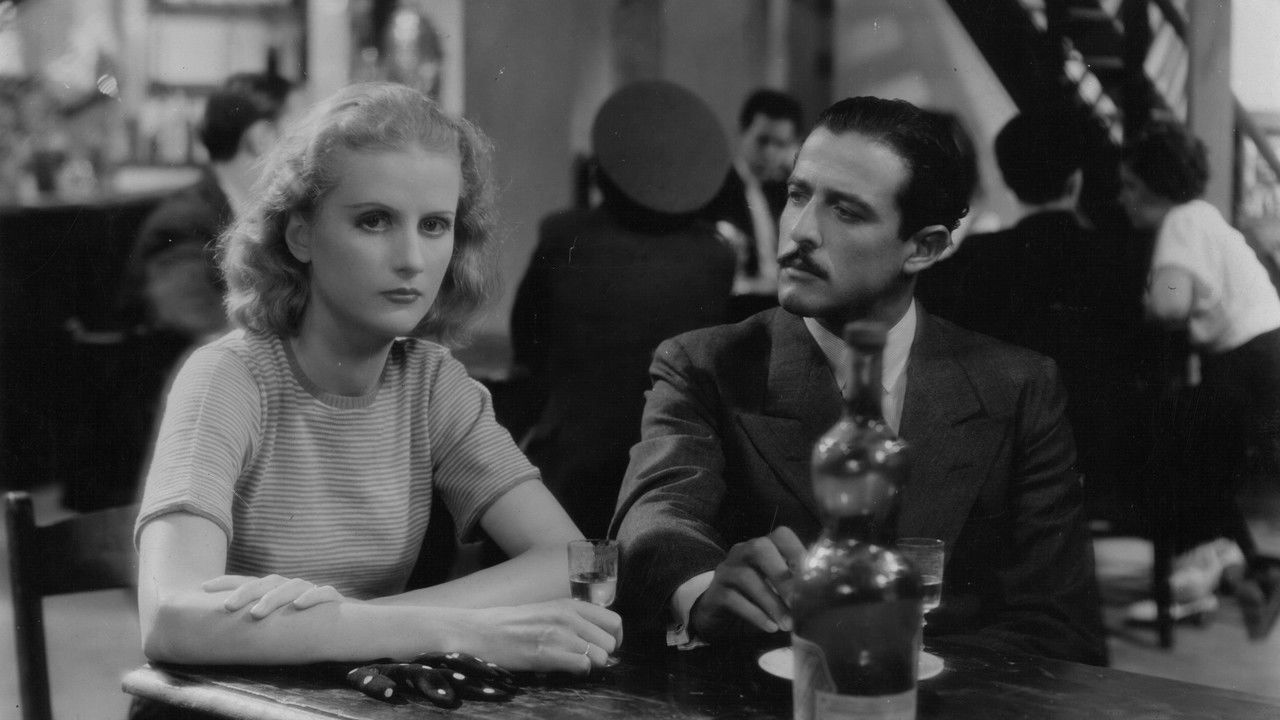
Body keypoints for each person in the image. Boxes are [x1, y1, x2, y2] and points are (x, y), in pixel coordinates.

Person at [135, 82, 621, 672]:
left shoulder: (432, 384)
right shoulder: (228, 377)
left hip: (357, 697)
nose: (411, 259)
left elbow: (574, 562)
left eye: (435, 225)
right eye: (374, 221)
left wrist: (365, 624)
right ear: (300, 233)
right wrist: (453, 630)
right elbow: (170, 617)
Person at [611, 96, 1107, 666]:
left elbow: (1060, 625)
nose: (800, 231)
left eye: (846, 211)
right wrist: (703, 594)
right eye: (797, 195)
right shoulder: (705, 364)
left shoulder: (1017, 387)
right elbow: (657, 520)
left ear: (924, 247)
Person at [511, 80, 735, 539]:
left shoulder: (563, 236)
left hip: (568, 468)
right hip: (667, 470)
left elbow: (527, 341)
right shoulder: (715, 258)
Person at [918, 110, 1146, 527]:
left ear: (1007, 181)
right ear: (1075, 181)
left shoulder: (976, 260)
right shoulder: (1121, 258)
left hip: (1003, 463)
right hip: (1103, 457)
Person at [1118, 119, 1280, 639]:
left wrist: (1146, 299)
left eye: (1130, 186)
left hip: (1249, 364)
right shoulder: (1204, 216)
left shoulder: (1181, 223)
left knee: (1168, 445)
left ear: (1156, 187)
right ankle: (1234, 568)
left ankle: (1198, 579)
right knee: (1196, 456)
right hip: (1263, 359)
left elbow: (1171, 304)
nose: (1122, 199)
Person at [121, 72, 299, 345]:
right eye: (301, 135)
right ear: (262, 137)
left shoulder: (274, 215)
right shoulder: (180, 223)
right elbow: (201, 324)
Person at [700, 88, 803, 320]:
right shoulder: (714, 191)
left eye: (780, 144)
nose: (770, 153)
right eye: (762, 140)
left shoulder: (786, 192)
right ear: (742, 131)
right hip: (734, 308)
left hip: (780, 306)